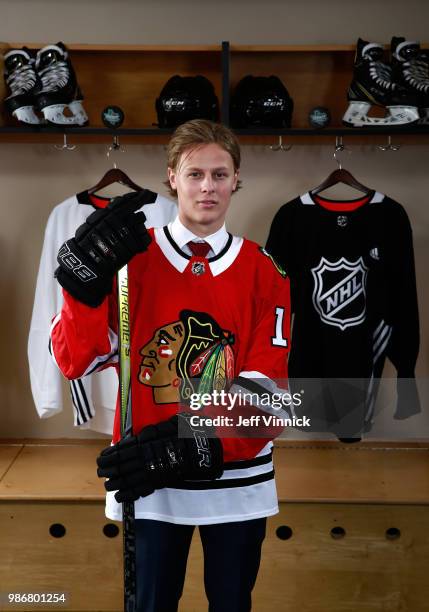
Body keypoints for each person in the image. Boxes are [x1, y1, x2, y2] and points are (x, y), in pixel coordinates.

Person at [50, 119, 290, 612]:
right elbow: (76, 360)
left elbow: (268, 398)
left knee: (231, 604)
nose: (208, 186)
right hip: (150, 480)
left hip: (237, 481)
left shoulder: (266, 270)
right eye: (195, 173)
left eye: (220, 175)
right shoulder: (130, 261)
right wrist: (80, 292)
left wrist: (187, 446)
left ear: (236, 180)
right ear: (172, 178)